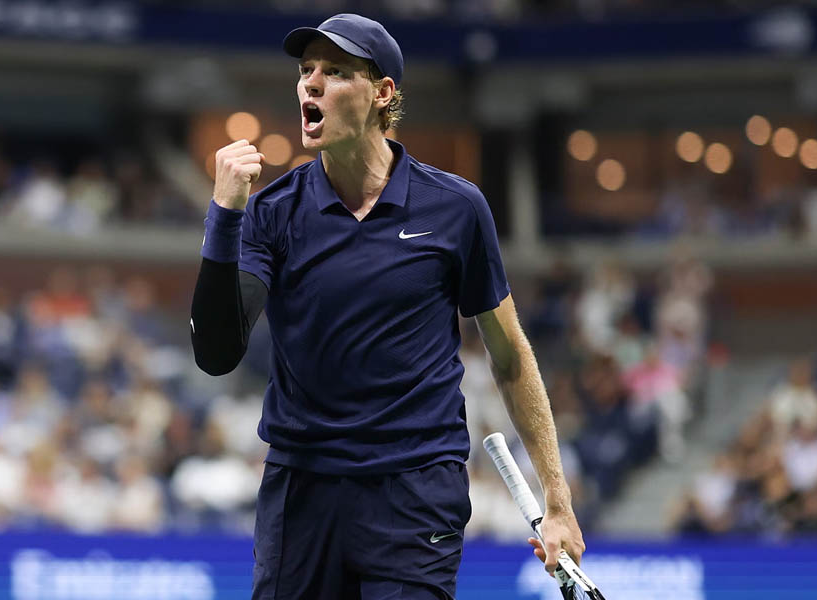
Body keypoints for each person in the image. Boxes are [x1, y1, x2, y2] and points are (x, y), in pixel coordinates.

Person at [190, 13, 584, 600]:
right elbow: (217, 352)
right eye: (306, 71)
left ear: (383, 93)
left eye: (336, 72)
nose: (311, 84)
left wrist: (557, 499)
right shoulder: (272, 212)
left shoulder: (455, 208)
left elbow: (509, 359)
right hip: (303, 490)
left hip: (415, 491)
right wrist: (224, 216)